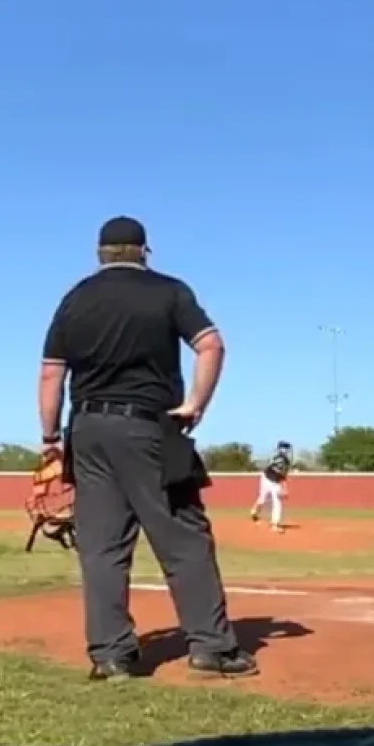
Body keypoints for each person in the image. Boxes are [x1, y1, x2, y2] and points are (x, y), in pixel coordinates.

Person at [38, 216, 257, 682]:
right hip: (150, 429)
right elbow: (211, 346)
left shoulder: (74, 299)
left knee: (101, 547)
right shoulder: (169, 291)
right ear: (143, 251)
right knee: (183, 538)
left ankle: (111, 656)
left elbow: (50, 374)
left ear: (100, 254)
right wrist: (195, 405)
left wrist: (50, 440)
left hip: (89, 430)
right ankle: (212, 649)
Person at [251, 441, 292, 533]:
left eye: (287, 448)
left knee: (277, 502)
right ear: (280, 449)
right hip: (266, 479)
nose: (286, 450)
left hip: (275, 483)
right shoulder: (277, 457)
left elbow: (283, 475)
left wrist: (284, 487)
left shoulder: (286, 461)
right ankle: (254, 512)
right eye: (284, 448)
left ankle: (274, 524)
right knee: (262, 500)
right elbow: (275, 468)